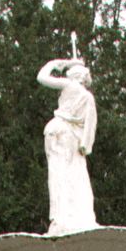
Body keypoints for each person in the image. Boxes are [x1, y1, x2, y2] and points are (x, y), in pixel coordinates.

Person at [37, 56, 98, 234]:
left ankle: (62, 216)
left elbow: (41, 77)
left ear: (74, 76)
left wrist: (54, 64)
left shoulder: (68, 85)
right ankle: (71, 215)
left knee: (58, 174)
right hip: (71, 137)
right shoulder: (88, 96)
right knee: (74, 174)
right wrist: (85, 146)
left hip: (55, 130)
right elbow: (90, 125)